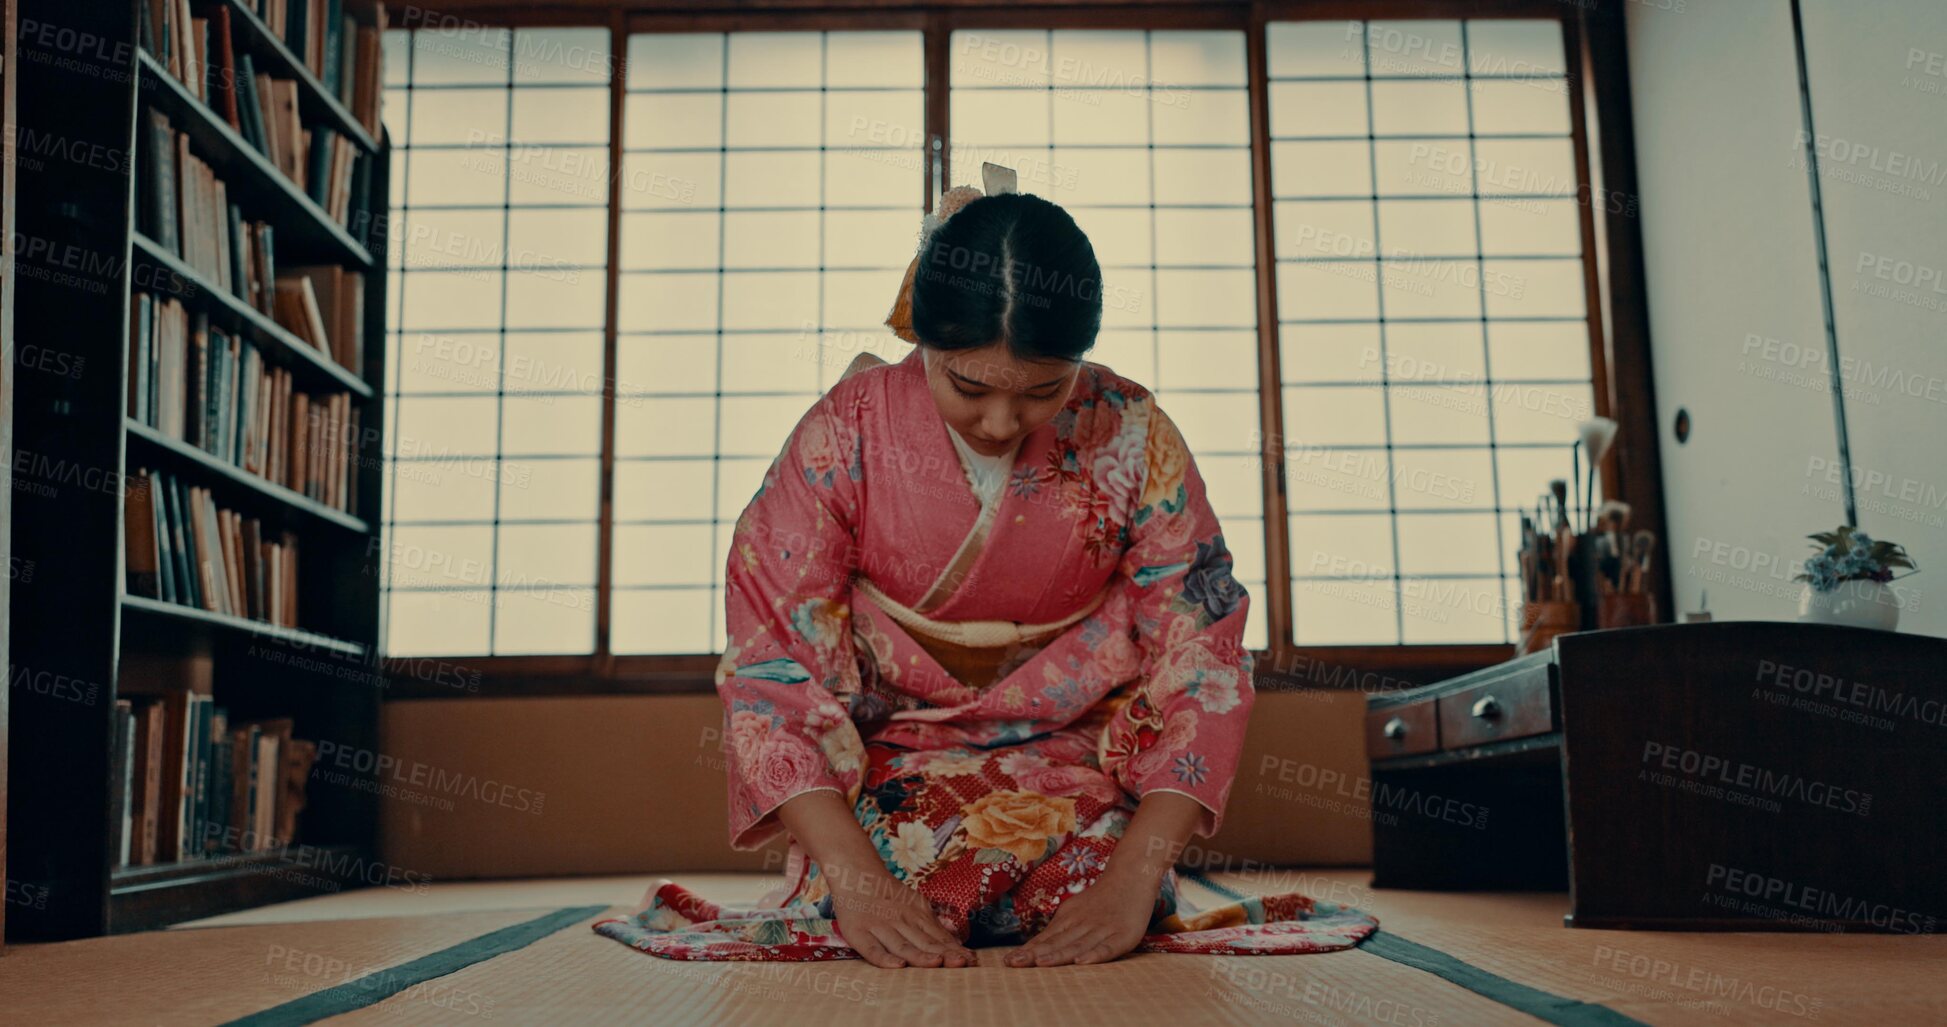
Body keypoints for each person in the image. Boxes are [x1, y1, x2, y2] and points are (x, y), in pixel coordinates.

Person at [594, 175, 1375, 966]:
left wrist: (1137, 873)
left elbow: (1199, 649)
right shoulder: (844, 432)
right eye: (967, 386)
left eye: (1044, 390)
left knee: (1085, 885)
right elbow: (772, 659)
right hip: (889, 756)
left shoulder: (1130, 431)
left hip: (1072, 754)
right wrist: (857, 878)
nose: (1002, 423)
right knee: (897, 885)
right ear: (924, 342)